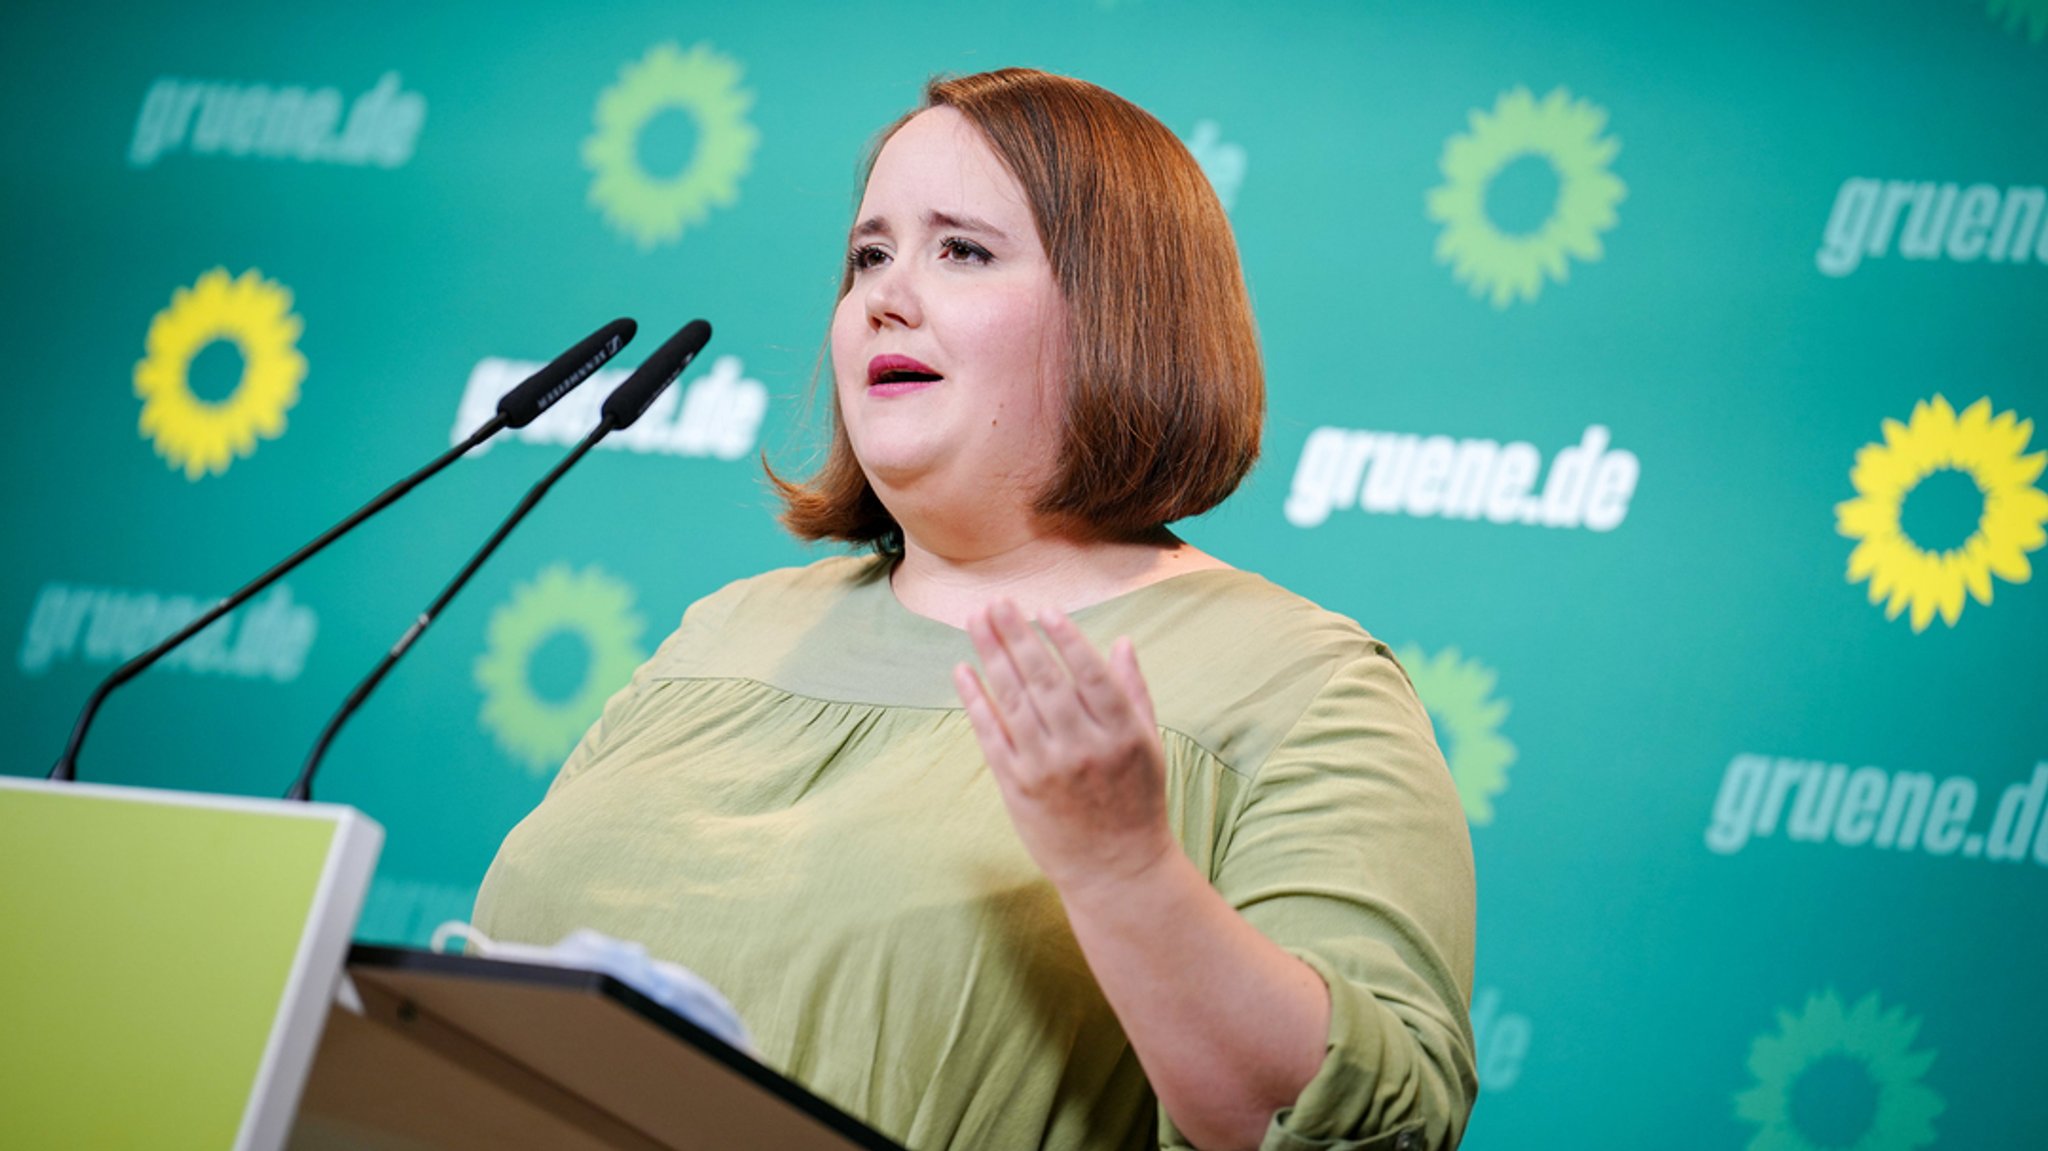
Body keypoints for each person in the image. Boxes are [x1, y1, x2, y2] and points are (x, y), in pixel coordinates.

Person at [473, 68, 1477, 1151]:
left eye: (960, 250)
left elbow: (1367, 1132)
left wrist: (1125, 871)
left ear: (1120, 311)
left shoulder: (1298, 685)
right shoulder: (722, 632)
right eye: (869, 255)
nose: (882, 298)